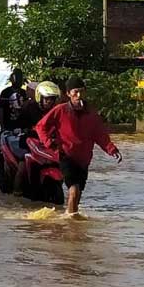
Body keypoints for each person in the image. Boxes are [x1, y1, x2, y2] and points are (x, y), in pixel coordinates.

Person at [34, 76, 122, 216]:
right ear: (68, 94)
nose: (78, 95)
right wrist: (49, 143)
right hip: (66, 156)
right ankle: (70, 225)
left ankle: (71, 220)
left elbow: (100, 135)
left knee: (78, 192)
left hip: (84, 160)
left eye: (81, 91)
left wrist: (111, 149)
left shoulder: (92, 114)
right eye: (75, 92)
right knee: (73, 189)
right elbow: (41, 127)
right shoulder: (60, 110)